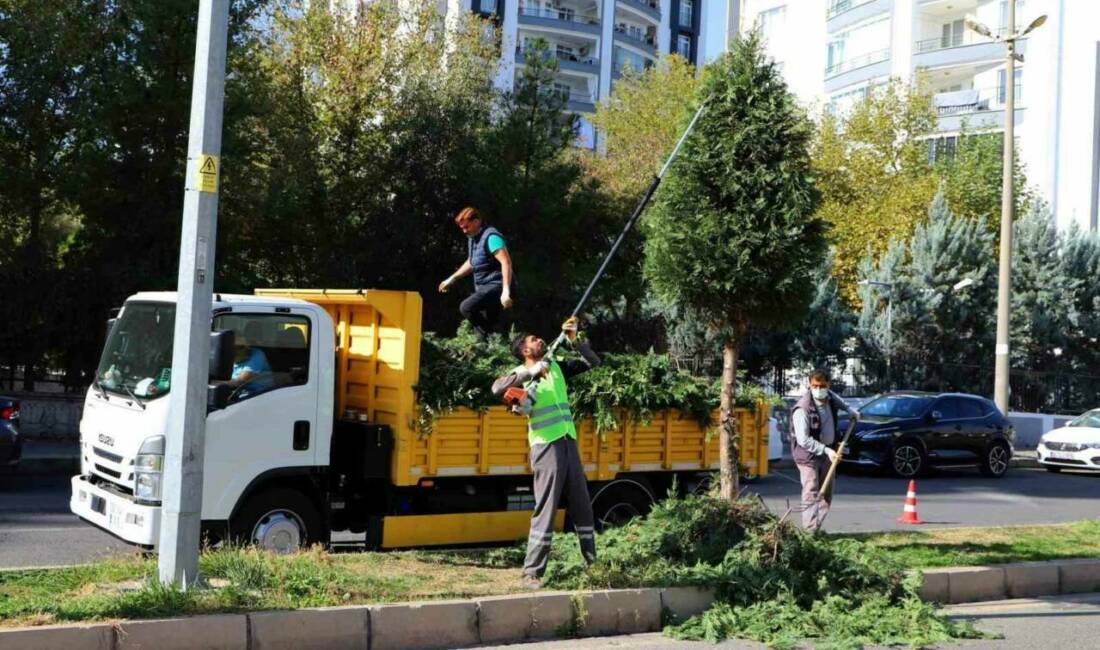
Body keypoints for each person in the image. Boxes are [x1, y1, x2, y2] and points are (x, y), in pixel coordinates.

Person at [492, 317, 599, 587]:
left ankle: (592, 564)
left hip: (567, 441)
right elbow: (497, 388)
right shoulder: (520, 373)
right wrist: (532, 372)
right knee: (547, 507)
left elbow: (593, 363)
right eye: (533, 340)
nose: (540, 340)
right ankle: (532, 572)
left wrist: (574, 341)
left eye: (539, 339)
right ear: (526, 351)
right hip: (545, 446)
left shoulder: (557, 368)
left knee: (582, 505)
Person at [790, 370, 858, 532]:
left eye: (822, 386)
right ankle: (810, 531)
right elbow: (803, 440)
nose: (818, 388)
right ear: (809, 385)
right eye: (814, 386)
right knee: (811, 491)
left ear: (828, 386)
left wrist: (850, 410)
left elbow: (838, 399)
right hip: (808, 456)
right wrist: (826, 450)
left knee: (826, 493)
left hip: (829, 453)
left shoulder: (830, 398)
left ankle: (816, 526)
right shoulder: (803, 408)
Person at [438, 207, 514, 336]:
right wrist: (452, 278)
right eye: (462, 228)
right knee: (484, 330)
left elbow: (506, 262)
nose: (464, 231)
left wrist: (506, 291)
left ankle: (492, 338)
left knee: (466, 307)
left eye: (466, 227)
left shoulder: (491, 237)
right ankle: (492, 342)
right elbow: (472, 262)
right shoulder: (473, 239)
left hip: (497, 286)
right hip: (483, 287)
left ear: (477, 221)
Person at [229, 322, 274, 399]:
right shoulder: (224, 359)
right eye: (241, 347)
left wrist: (213, 382)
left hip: (261, 397)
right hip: (240, 396)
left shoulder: (258, 354)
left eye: (246, 344)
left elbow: (239, 382)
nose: (248, 348)